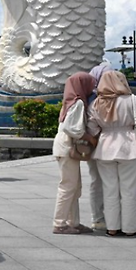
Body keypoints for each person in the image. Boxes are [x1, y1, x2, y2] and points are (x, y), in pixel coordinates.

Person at [87, 70, 136, 237]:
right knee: (130, 190)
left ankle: (112, 227)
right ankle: (129, 228)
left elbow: (92, 128)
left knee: (109, 189)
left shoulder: (97, 103)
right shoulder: (134, 101)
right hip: (129, 147)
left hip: (105, 148)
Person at [51, 72, 97, 235]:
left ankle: (73, 222)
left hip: (63, 147)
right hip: (66, 147)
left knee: (74, 186)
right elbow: (70, 128)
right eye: (90, 83)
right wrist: (89, 138)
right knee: (68, 186)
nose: (92, 86)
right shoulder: (78, 103)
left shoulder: (70, 101)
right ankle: (60, 223)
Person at [87, 61, 113, 230]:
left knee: (105, 181)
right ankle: (99, 217)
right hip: (99, 144)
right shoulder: (93, 98)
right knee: (100, 180)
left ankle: (105, 217)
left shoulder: (91, 97)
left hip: (100, 143)